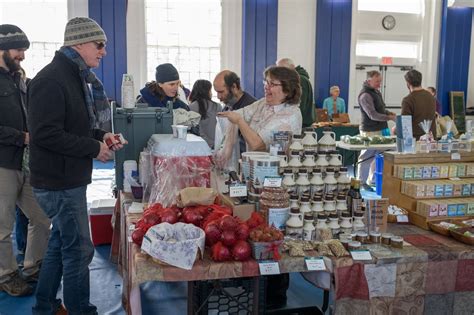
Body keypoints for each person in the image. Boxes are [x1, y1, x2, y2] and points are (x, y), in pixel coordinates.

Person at [28, 17, 126, 315]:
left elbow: (74, 125)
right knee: (79, 250)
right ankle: (81, 309)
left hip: (67, 178)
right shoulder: (51, 79)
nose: (104, 52)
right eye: (99, 45)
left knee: (60, 244)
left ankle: (45, 305)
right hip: (58, 182)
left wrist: (101, 135)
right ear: (79, 43)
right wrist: (93, 148)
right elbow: (46, 134)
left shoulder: (74, 77)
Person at [218, 66, 302, 309]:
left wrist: (239, 122)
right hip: (254, 182)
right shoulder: (263, 105)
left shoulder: (289, 116)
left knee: (274, 236)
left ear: (288, 89)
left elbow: (256, 143)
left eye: (273, 84)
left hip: (276, 187)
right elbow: (236, 114)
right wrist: (226, 147)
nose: (267, 87)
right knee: (255, 232)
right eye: (266, 82)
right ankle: (253, 289)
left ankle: (275, 299)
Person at [0, 24, 50, 297]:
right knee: (2, 226)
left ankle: (33, 266)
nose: (22, 55)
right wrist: (22, 137)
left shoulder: (19, 78)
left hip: (26, 162)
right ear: (3, 49)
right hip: (3, 164)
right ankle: (6, 275)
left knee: (41, 217)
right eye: (19, 50)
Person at [357, 70, 396, 191]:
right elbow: (372, 115)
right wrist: (389, 117)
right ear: (369, 81)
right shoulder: (365, 95)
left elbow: (381, 109)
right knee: (367, 156)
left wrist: (389, 113)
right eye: (377, 81)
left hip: (382, 129)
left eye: (380, 81)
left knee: (380, 155)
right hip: (370, 131)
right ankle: (361, 182)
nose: (380, 84)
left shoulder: (376, 92)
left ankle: (373, 180)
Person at [213, 70, 256, 153]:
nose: (218, 97)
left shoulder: (251, 107)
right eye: (217, 92)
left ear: (234, 87)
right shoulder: (227, 107)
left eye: (221, 92)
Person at [276, 57, 315, 127]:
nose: (279, 73)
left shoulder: (300, 80)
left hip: (301, 125)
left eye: (281, 69)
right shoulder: (296, 79)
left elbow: (300, 105)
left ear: (291, 67)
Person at [402, 70, 437, 140]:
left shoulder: (408, 99)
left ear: (408, 83)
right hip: (431, 140)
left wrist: (396, 129)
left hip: (416, 141)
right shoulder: (431, 97)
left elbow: (405, 125)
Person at [189, 79, 222, 148]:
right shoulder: (218, 106)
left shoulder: (191, 107)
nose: (211, 93)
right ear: (206, 91)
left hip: (198, 146)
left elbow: (195, 131)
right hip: (216, 145)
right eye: (210, 90)